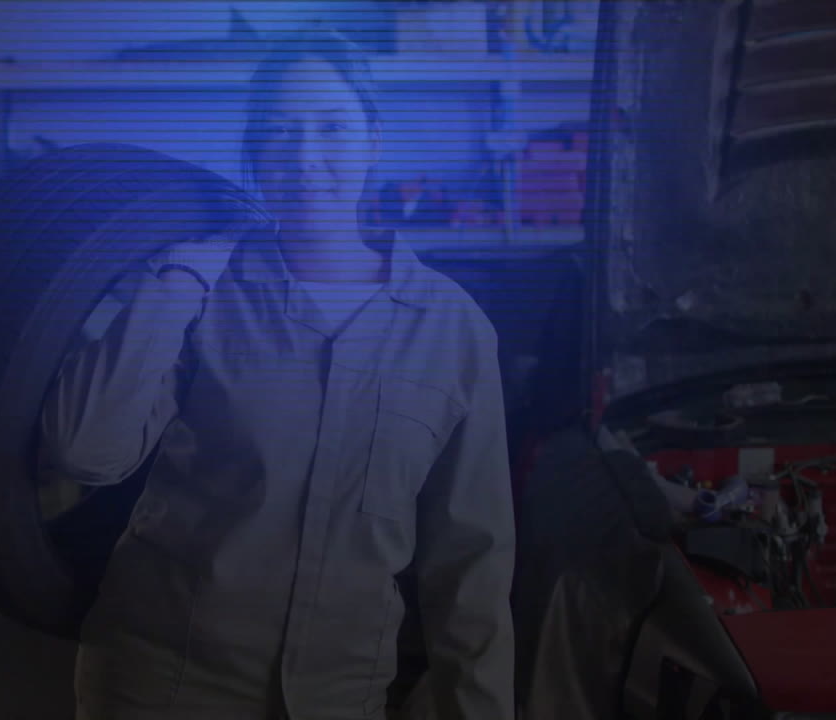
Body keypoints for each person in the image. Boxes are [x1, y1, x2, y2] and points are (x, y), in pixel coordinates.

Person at [41, 28, 516, 720]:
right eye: (278, 132)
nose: (304, 158)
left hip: (340, 695)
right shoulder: (203, 296)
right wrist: (171, 283)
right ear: (254, 151)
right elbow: (83, 452)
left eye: (332, 127)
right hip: (163, 685)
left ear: (373, 140)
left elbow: (473, 564)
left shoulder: (452, 330)